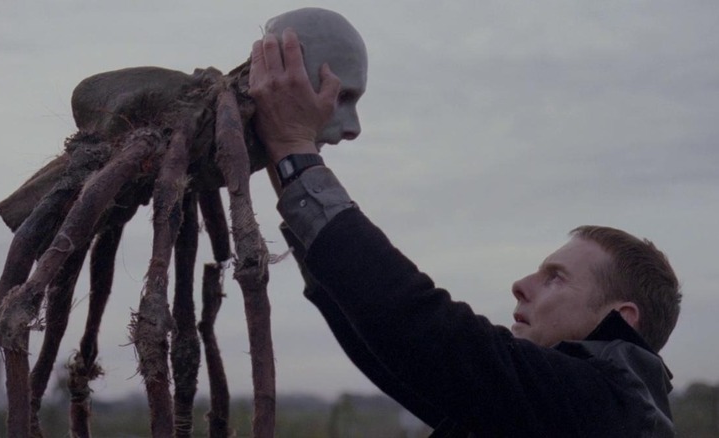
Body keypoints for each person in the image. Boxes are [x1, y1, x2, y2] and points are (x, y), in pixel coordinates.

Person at [249, 28, 681, 437]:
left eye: (556, 277)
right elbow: (397, 353)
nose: (521, 286)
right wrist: (285, 161)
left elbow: (424, 329)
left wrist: (294, 150)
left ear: (621, 320)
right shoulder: (537, 414)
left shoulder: (610, 407)